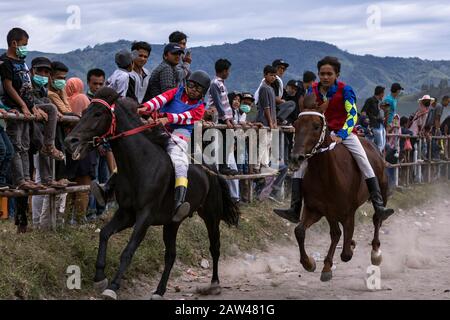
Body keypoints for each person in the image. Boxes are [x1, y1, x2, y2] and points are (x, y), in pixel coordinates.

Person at [274, 56, 394, 223]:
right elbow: (309, 112)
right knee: (300, 166)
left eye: (329, 74)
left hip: (343, 132)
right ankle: (295, 208)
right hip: (321, 134)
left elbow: (352, 114)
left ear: (337, 74)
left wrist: (341, 135)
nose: (325, 77)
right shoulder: (312, 90)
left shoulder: (346, 90)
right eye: (322, 73)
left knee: (364, 161)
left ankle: (378, 206)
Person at [0, 28, 62, 190]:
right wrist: (22, 105)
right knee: (17, 145)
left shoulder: (22, 62)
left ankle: (49, 145)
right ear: (14, 43)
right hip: (15, 109)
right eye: (24, 44)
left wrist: (33, 106)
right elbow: (9, 87)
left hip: (27, 107)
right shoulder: (5, 62)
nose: (25, 48)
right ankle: (22, 180)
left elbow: (26, 89)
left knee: (50, 110)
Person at [207, 58, 238, 175]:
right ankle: (222, 166)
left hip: (225, 116)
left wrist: (230, 118)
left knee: (226, 141)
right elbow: (218, 103)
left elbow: (225, 104)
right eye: (228, 70)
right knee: (222, 141)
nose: (229, 73)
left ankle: (224, 165)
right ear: (224, 71)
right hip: (219, 116)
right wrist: (226, 119)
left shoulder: (221, 84)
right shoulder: (215, 84)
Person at [256, 65, 279, 175]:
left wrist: (274, 121)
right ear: (265, 75)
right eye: (271, 75)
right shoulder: (264, 88)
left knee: (268, 143)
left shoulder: (271, 88)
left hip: (271, 120)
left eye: (275, 75)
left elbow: (273, 107)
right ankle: (258, 164)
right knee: (263, 142)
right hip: (264, 120)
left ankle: (264, 165)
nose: (273, 77)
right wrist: (270, 121)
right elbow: (266, 107)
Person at [362, 86, 387, 153]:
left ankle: (378, 159)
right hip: (374, 125)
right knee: (378, 145)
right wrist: (366, 119)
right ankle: (376, 160)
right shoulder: (370, 100)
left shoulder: (380, 102)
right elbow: (363, 111)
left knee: (382, 145)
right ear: (380, 93)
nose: (383, 95)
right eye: (383, 93)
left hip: (381, 125)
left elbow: (385, 111)